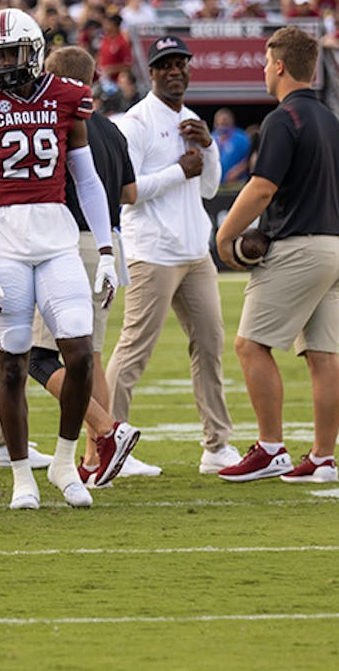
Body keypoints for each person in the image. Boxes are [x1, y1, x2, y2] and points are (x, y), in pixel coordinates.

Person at [0, 8, 119, 510]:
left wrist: (107, 249)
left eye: (11, 54)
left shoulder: (67, 96)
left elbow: (86, 179)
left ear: (35, 54)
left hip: (56, 238)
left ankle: (66, 461)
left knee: (81, 352)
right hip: (2, 240)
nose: (3, 64)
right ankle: (23, 474)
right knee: (13, 360)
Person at [216, 28, 339, 483]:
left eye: (265, 61)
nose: (261, 69)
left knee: (250, 344)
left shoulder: (283, 118)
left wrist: (225, 235)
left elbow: (261, 188)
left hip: (301, 245)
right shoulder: (333, 119)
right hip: (338, 243)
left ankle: (271, 447)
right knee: (322, 353)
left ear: (279, 65)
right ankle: (323, 458)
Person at [106, 36, 239, 477]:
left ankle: (217, 445)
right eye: (166, 65)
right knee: (134, 351)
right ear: (152, 72)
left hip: (193, 251)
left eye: (181, 63)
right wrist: (177, 170)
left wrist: (210, 148)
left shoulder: (193, 120)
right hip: (153, 252)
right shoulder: (136, 122)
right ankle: (107, 440)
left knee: (211, 346)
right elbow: (129, 194)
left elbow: (208, 187)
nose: (175, 71)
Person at [30, 46, 141, 487]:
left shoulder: (60, 122)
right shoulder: (111, 131)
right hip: (107, 244)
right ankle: (97, 460)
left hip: (67, 243)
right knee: (90, 352)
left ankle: (106, 430)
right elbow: (130, 193)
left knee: (37, 357)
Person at [213, 108, 251, 183]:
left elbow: (250, 158)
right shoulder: (211, 139)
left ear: (232, 121)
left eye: (225, 122)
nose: (223, 125)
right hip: (216, 185)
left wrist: (238, 170)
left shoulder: (241, 138)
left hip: (236, 184)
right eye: (220, 122)